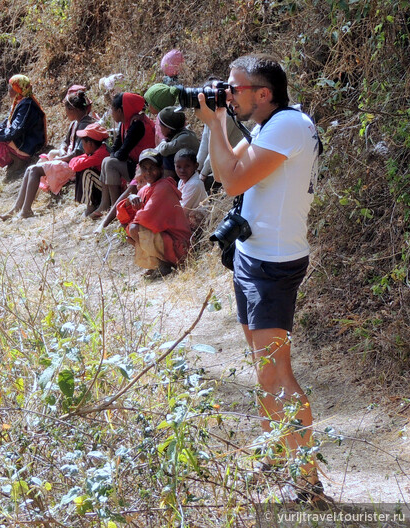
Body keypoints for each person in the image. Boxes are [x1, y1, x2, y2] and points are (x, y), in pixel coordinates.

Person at [195, 53, 324, 504]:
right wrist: (218, 123)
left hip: (272, 264)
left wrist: (214, 123)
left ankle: (306, 478)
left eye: (235, 88)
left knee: (276, 372)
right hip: (254, 257)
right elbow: (227, 168)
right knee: (263, 368)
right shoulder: (274, 125)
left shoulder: (288, 126)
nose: (227, 95)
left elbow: (230, 182)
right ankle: (275, 453)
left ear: (263, 93)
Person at [0, 123, 109, 220]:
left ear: (90, 144)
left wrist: (77, 160)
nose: (82, 146)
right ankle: (17, 208)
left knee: (86, 173)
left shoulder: (100, 153)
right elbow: (76, 160)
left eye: (83, 143)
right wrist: (78, 160)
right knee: (30, 169)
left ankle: (90, 207)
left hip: (104, 186)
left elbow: (76, 164)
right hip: (94, 179)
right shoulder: (93, 151)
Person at [84, 92, 155, 218]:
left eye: (113, 110)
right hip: (133, 164)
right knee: (107, 160)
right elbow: (115, 149)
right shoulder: (124, 124)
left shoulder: (137, 125)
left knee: (110, 162)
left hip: (145, 168)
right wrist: (114, 155)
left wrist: (115, 155)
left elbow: (121, 154)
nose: (111, 113)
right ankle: (106, 204)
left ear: (121, 110)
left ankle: (116, 207)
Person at [124, 148, 191, 278]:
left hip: (180, 246)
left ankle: (165, 263)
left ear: (161, 168)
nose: (148, 172)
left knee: (134, 229)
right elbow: (126, 215)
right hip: (168, 240)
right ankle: (158, 263)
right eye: (144, 168)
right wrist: (130, 198)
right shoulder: (146, 189)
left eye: (152, 167)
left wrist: (128, 227)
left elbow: (144, 218)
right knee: (131, 234)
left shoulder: (163, 187)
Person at [0, 74, 47, 180]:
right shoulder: (19, 102)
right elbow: (6, 124)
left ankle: (19, 159)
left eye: (10, 86)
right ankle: (13, 159)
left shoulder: (26, 105)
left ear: (17, 89)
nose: (8, 89)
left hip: (28, 146)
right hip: (22, 140)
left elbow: (13, 132)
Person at [196, 78, 248, 193]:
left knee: (208, 183)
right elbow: (205, 141)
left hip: (229, 161)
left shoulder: (227, 117)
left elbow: (217, 143)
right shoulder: (210, 113)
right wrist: (196, 168)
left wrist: (203, 174)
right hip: (216, 161)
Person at [155, 107, 200, 182]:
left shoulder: (185, 137)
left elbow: (164, 150)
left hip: (191, 170)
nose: (159, 128)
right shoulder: (178, 135)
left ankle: (168, 182)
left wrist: (163, 141)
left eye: (161, 126)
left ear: (168, 128)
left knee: (167, 156)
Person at [174, 148, 208, 229]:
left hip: (197, 225)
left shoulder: (194, 184)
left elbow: (182, 210)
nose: (182, 170)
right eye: (178, 167)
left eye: (187, 166)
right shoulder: (182, 180)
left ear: (196, 166)